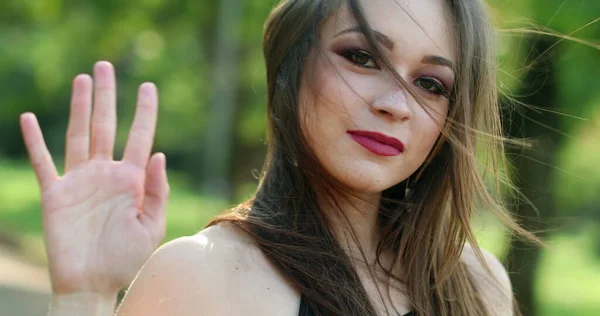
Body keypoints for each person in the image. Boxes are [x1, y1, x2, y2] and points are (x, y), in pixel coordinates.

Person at [19, 0, 535, 315]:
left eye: (430, 83)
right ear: (293, 59)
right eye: (361, 57)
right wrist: (83, 298)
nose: (394, 104)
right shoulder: (201, 277)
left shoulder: (477, 286)